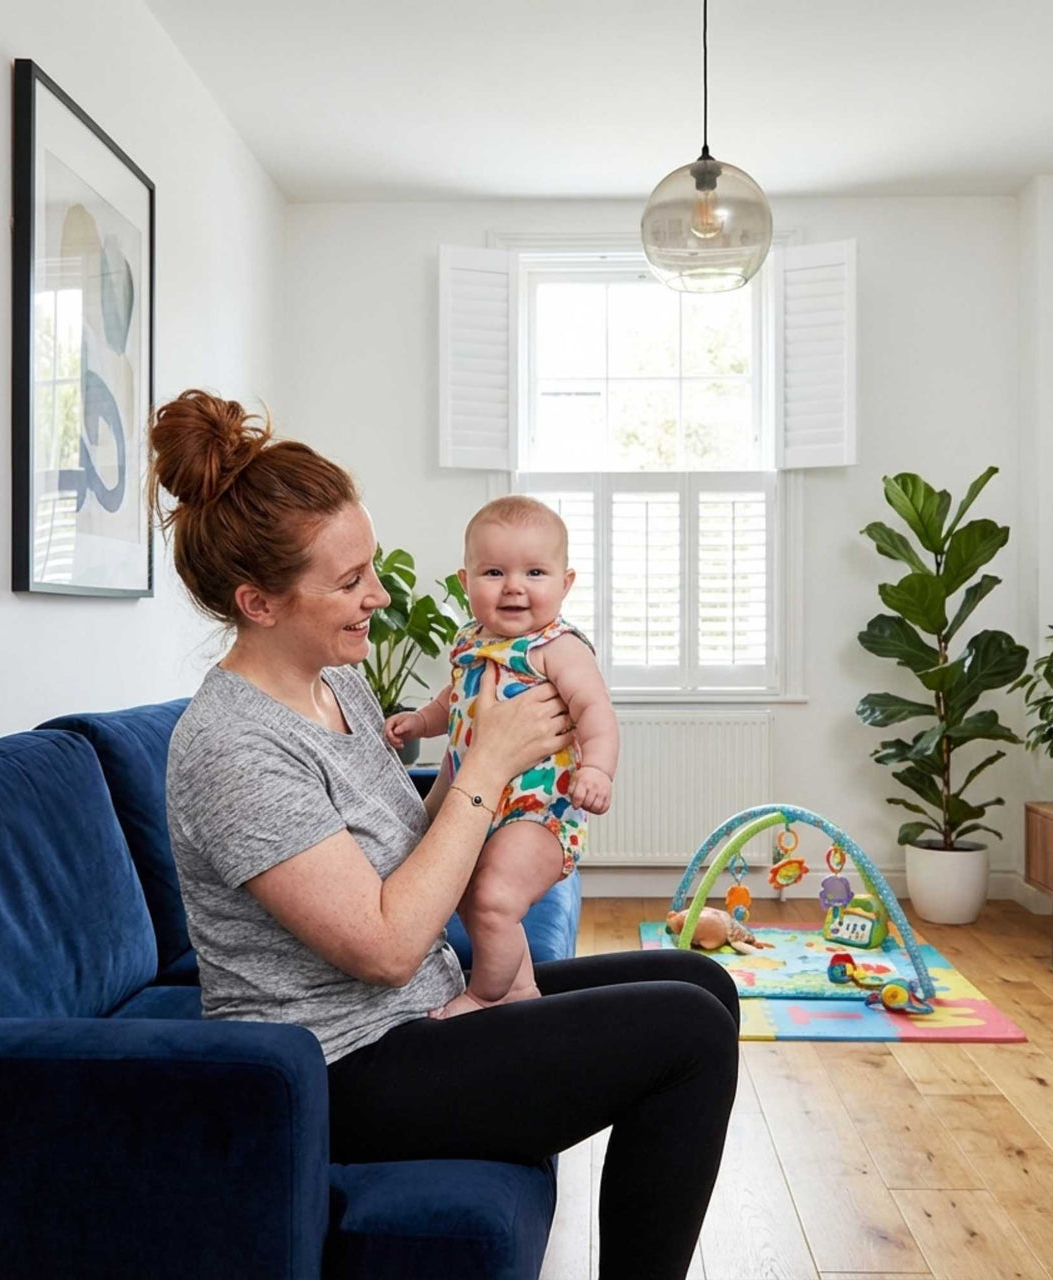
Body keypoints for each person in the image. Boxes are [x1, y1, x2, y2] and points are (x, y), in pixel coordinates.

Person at [152, 389, 738, 1280]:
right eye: (349, 584)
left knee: (700, 979)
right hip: (344, 1066)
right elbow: (385, 947)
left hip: (427, 1003)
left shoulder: (336, 682)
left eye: (371, 567)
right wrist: (488, 768)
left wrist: (503, 779)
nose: (379, 598)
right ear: (258, 602)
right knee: (686, 1032)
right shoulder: (233, 746)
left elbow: (409, 833)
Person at [386, 496, 619, 1017]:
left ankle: (483, 994)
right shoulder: (471, 641)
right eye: (494, 572)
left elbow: (595, 711)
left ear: (566, 582)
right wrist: (422, 722)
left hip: (537, 816)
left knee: (493, 899)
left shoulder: (557, 648)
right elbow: (457, 699)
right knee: (469, 901)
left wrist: (598, 769)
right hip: (478, 808)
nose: (514, 586)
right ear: (465, 582)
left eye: (535, 571)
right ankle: (519, 992)